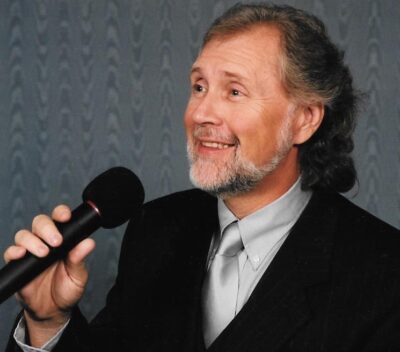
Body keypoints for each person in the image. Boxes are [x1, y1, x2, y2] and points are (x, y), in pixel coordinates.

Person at [4, 3, 400, 351]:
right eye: (199, 86)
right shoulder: (155, 230)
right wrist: (48, 323)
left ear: (304, 120)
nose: (201, 114)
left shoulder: (381, 272)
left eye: (234, 92)